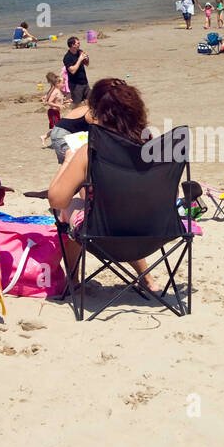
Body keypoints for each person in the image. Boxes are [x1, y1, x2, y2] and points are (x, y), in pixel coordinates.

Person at [49, 78, 157, 291]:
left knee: (68, 209)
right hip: (152, 230)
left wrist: (69, 158)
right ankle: (147, 279)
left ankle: (73, 279)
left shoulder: (89, 151)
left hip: (103, 233)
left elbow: (56, 198)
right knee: (120, 210)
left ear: (97, 113)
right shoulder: (152, 146)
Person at [41, 70, 68, 141]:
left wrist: (66, 102)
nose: (64, 85)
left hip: (56, 112)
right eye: (63, 83)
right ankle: (47, 137)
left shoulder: (59, 92)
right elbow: (49, 102)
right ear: (57, 83)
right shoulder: (55, 91)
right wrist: (58, 106)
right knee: (57, 127)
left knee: (57, 127)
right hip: (52, 112)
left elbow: (59, 102)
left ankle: (44, 137)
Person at [63, 36, 90, 103]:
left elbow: (87, 64)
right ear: (73, 45)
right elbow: (72, 71)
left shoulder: (79, 52)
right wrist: (80, 59)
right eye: (78, 43)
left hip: (85, 82)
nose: (79, 45)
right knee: (76, 104)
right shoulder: (67, 57)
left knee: (90, 101)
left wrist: (87, 59)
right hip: (75, 85)